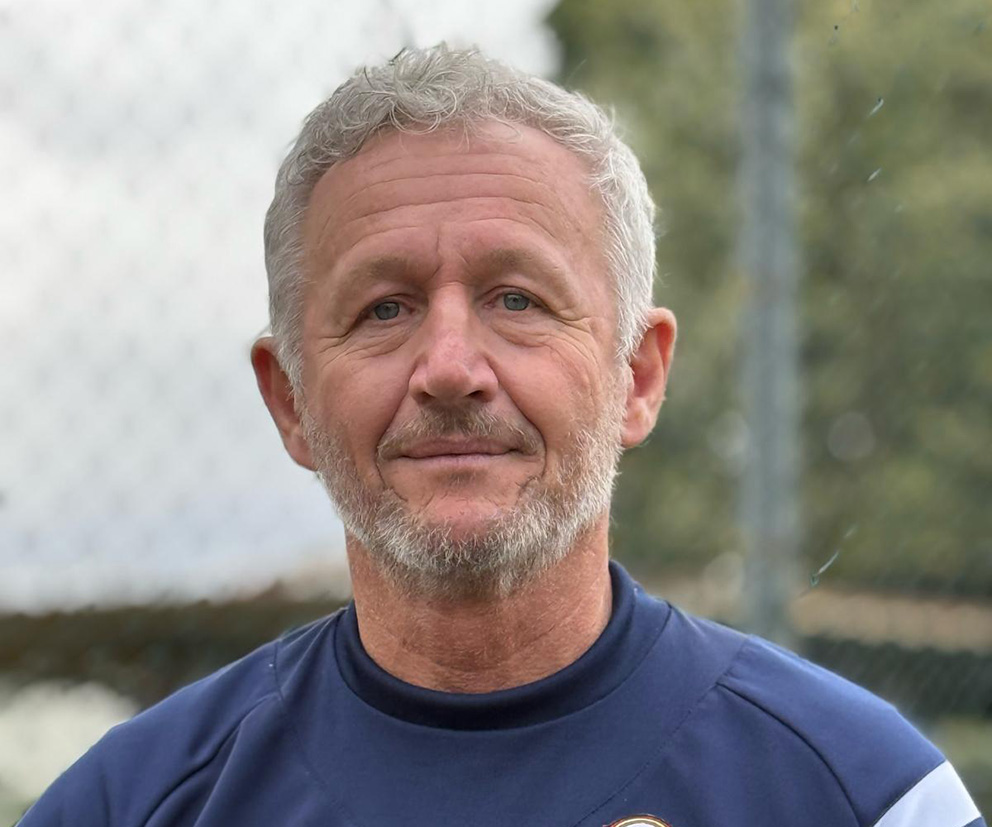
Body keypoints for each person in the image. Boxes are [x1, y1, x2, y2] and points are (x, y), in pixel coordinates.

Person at [20, 45, 984, 827]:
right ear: (291, 402)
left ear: (637, 376)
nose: (450, 367)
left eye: (517, 299)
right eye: (385, 308)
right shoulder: (129, 805)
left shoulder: (862, 794)